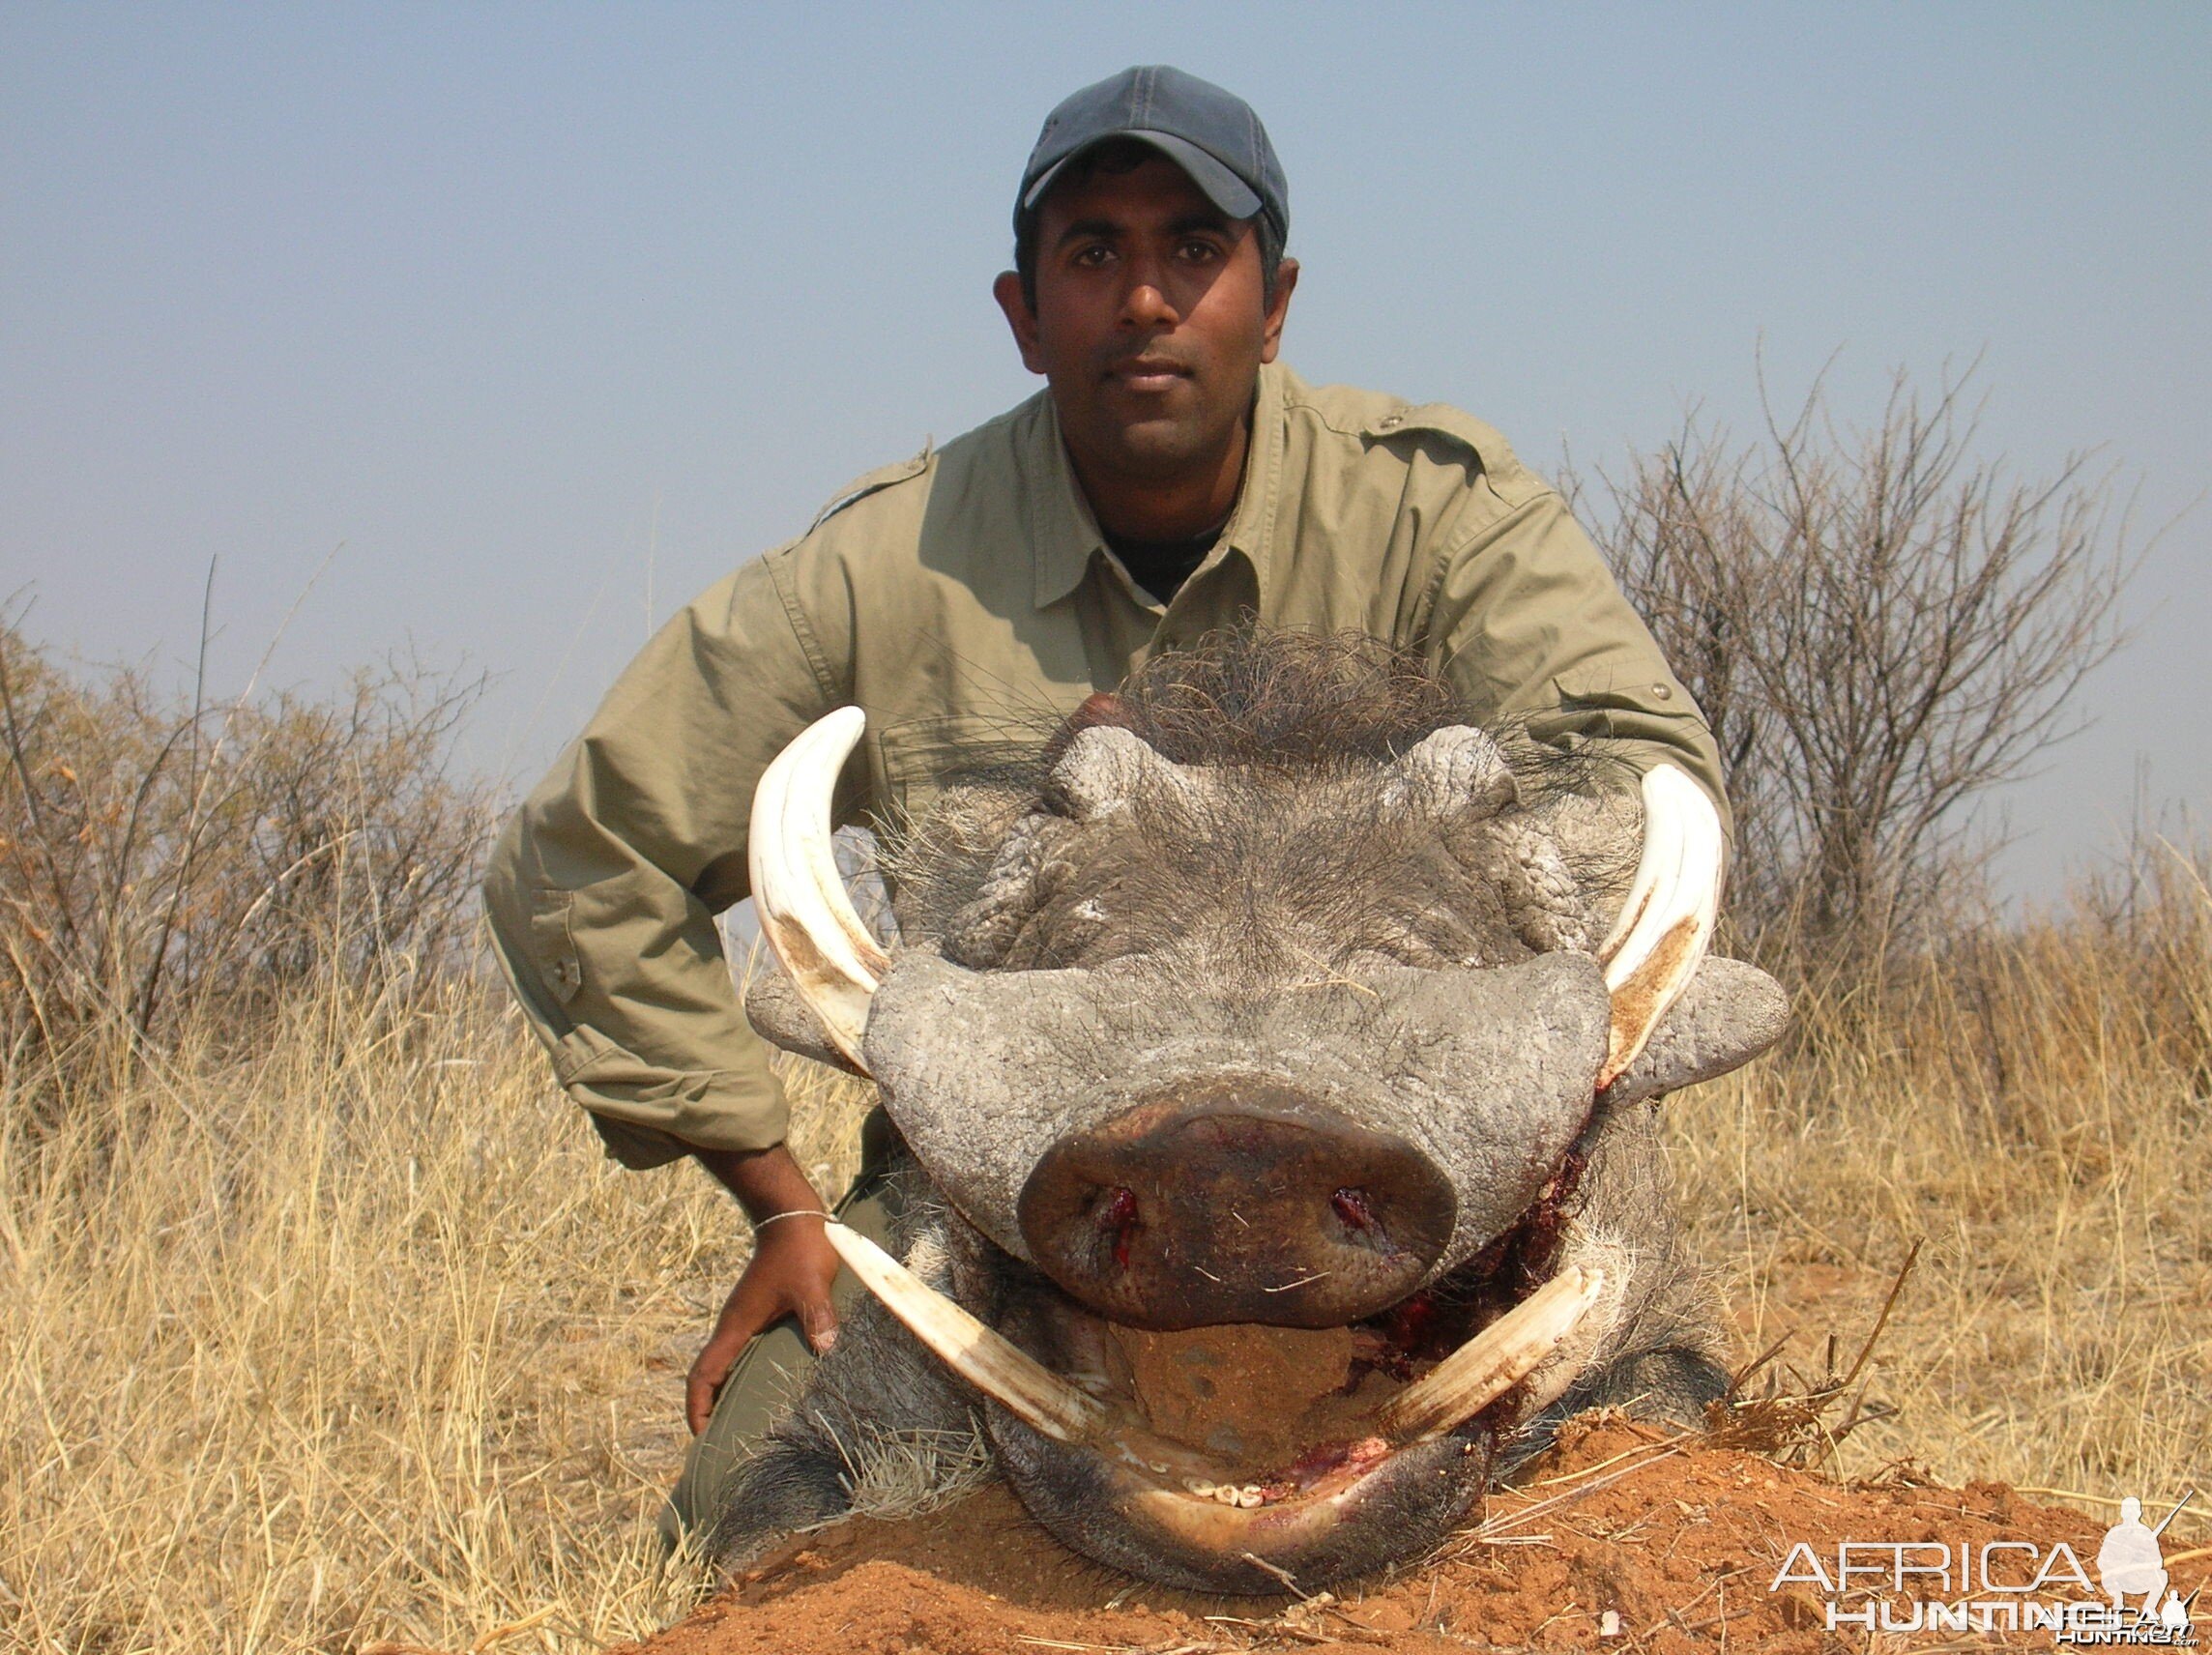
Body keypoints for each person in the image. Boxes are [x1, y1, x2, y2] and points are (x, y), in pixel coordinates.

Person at [481, 64, 1729, 1549]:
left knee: (1652, 1444)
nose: (1146, 300)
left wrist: (1415, 781)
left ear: (1275, 304)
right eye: (1094, 254)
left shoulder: (1438, 509)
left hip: (1424, 1155)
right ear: (1021, 312)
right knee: (747, 1520)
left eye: (1195, 251)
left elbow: (1646, 788)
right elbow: (575, 866)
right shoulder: (880, 569)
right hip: (1011, 1200)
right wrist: (780, 1200)